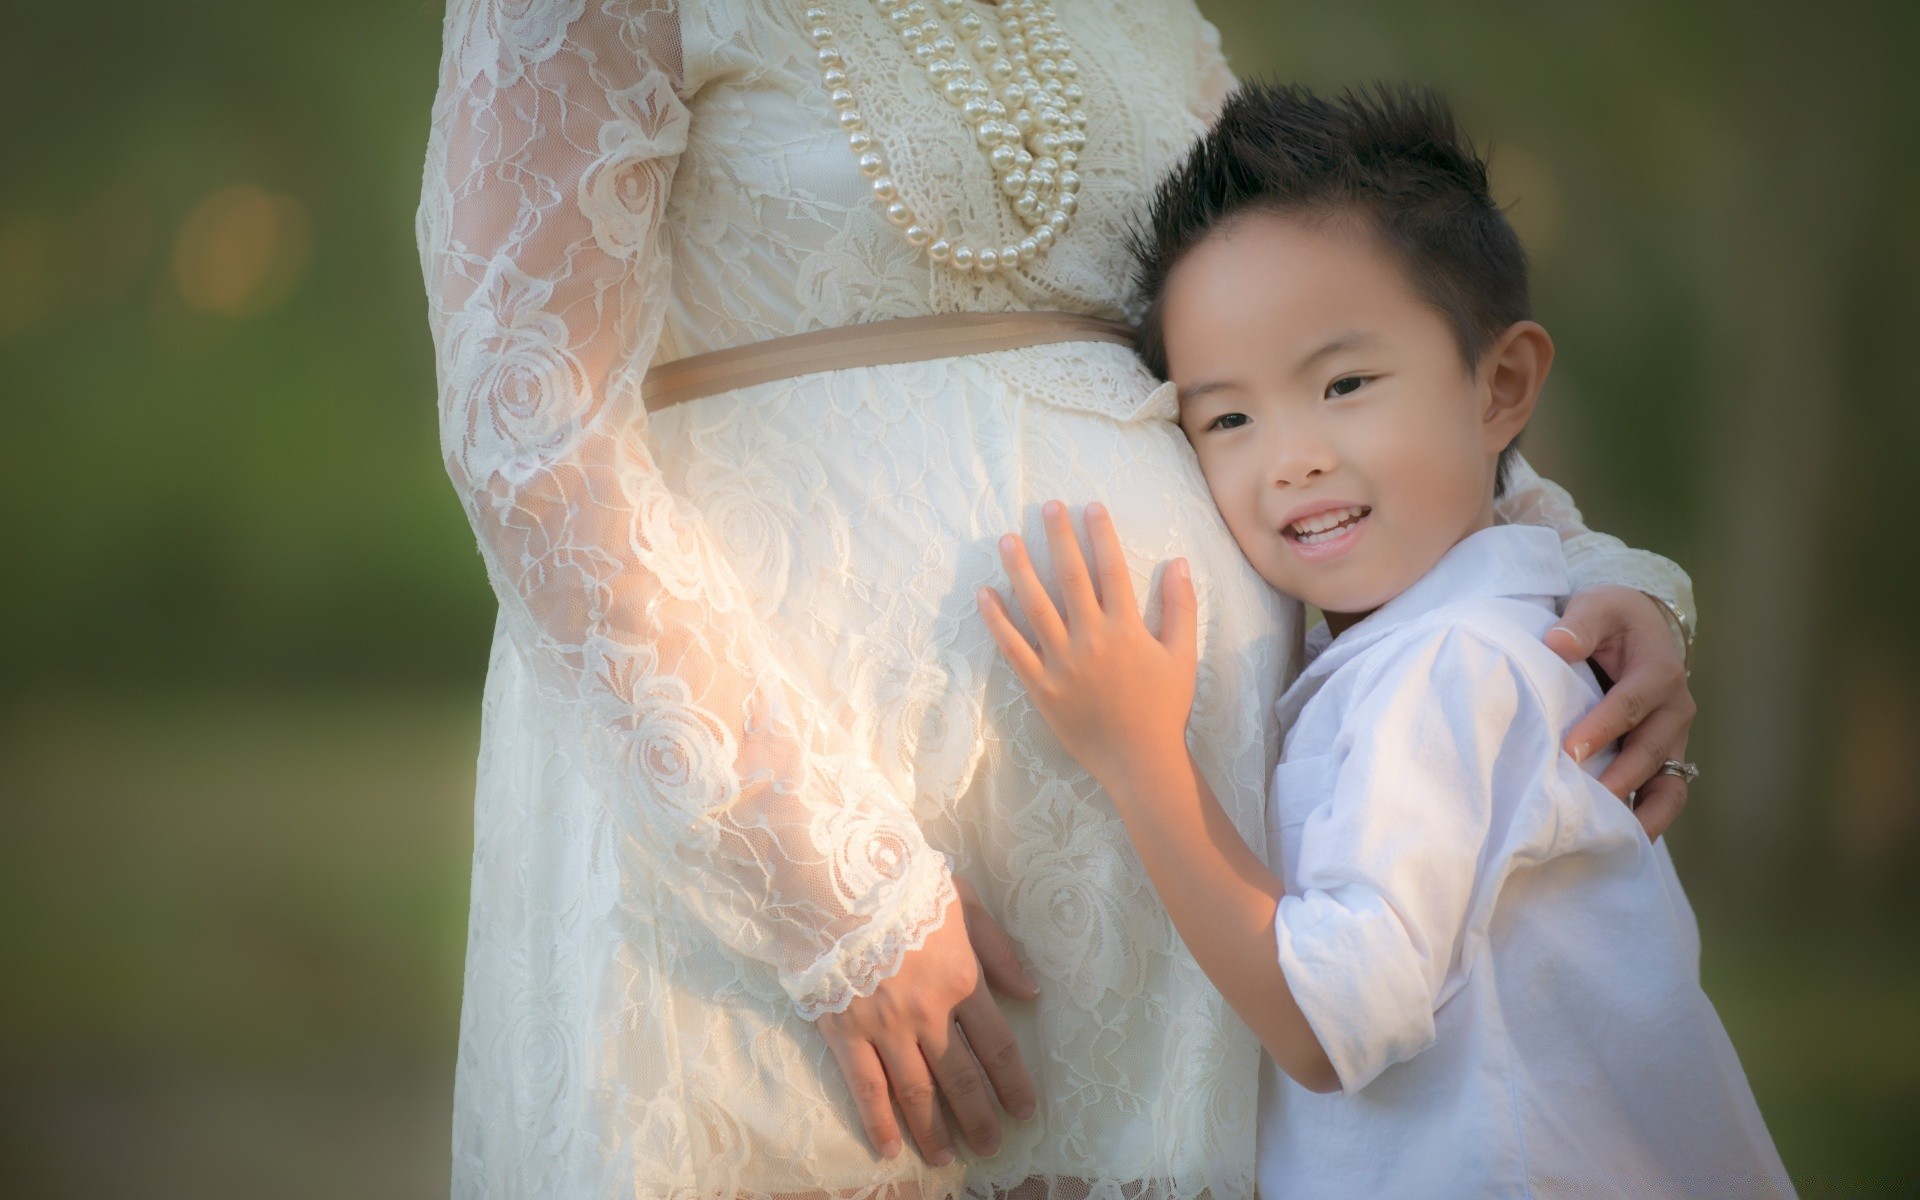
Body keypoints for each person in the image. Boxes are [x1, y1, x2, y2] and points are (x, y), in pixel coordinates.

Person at [417, 2, 1701, 1195]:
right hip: (773, 861)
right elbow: (531, 432)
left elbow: (1317, 306)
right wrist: (836, 896)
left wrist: (1572, 570)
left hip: (1176, 899)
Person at [977, 83, 1787, 1196]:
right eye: (1228, 419)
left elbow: (1327, 1019)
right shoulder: (1450, 641)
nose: (1292, 457)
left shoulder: (1450, 668)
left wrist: (1138, 755)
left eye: (1345, 383)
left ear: (1501, 387)